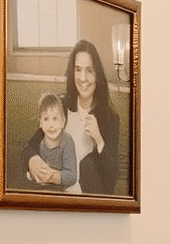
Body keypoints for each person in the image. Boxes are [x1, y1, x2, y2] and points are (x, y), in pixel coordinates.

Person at [23, 39, 121, 195]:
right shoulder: (61, 106)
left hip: (89, 205)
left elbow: (111, 180)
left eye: (89, 70)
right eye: (78, 69)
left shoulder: (110, 118)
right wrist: (32, 160)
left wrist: (99, 139)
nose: (83, 78)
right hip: (57, 198)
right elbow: (31, 147)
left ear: (98, 75)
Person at [25, 92, 77, 191]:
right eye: (46, 119)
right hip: (42, 189)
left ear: (63, 122)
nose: (51, 125)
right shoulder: (41, 140)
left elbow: (71, 176)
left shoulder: (66, 141)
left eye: (55, 119)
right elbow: (29, 149)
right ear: (40, 123)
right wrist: (34, 171)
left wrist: (52, 176)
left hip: (61, 191)